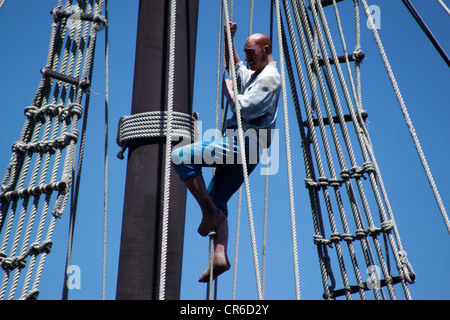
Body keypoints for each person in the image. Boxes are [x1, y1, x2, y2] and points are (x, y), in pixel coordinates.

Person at [171, 22, 281, 282]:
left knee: (181, 156)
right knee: (218, 197)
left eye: (251, 53)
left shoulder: (270, 79)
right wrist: (227, 39)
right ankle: (220, 255)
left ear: (266, 50)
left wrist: (229, 90)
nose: (247, 58)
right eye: (245, 52)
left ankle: (208, 212)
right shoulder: (256, 72)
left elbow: (243, 107)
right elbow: (235, 68)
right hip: (248, 148)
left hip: (243, 144)